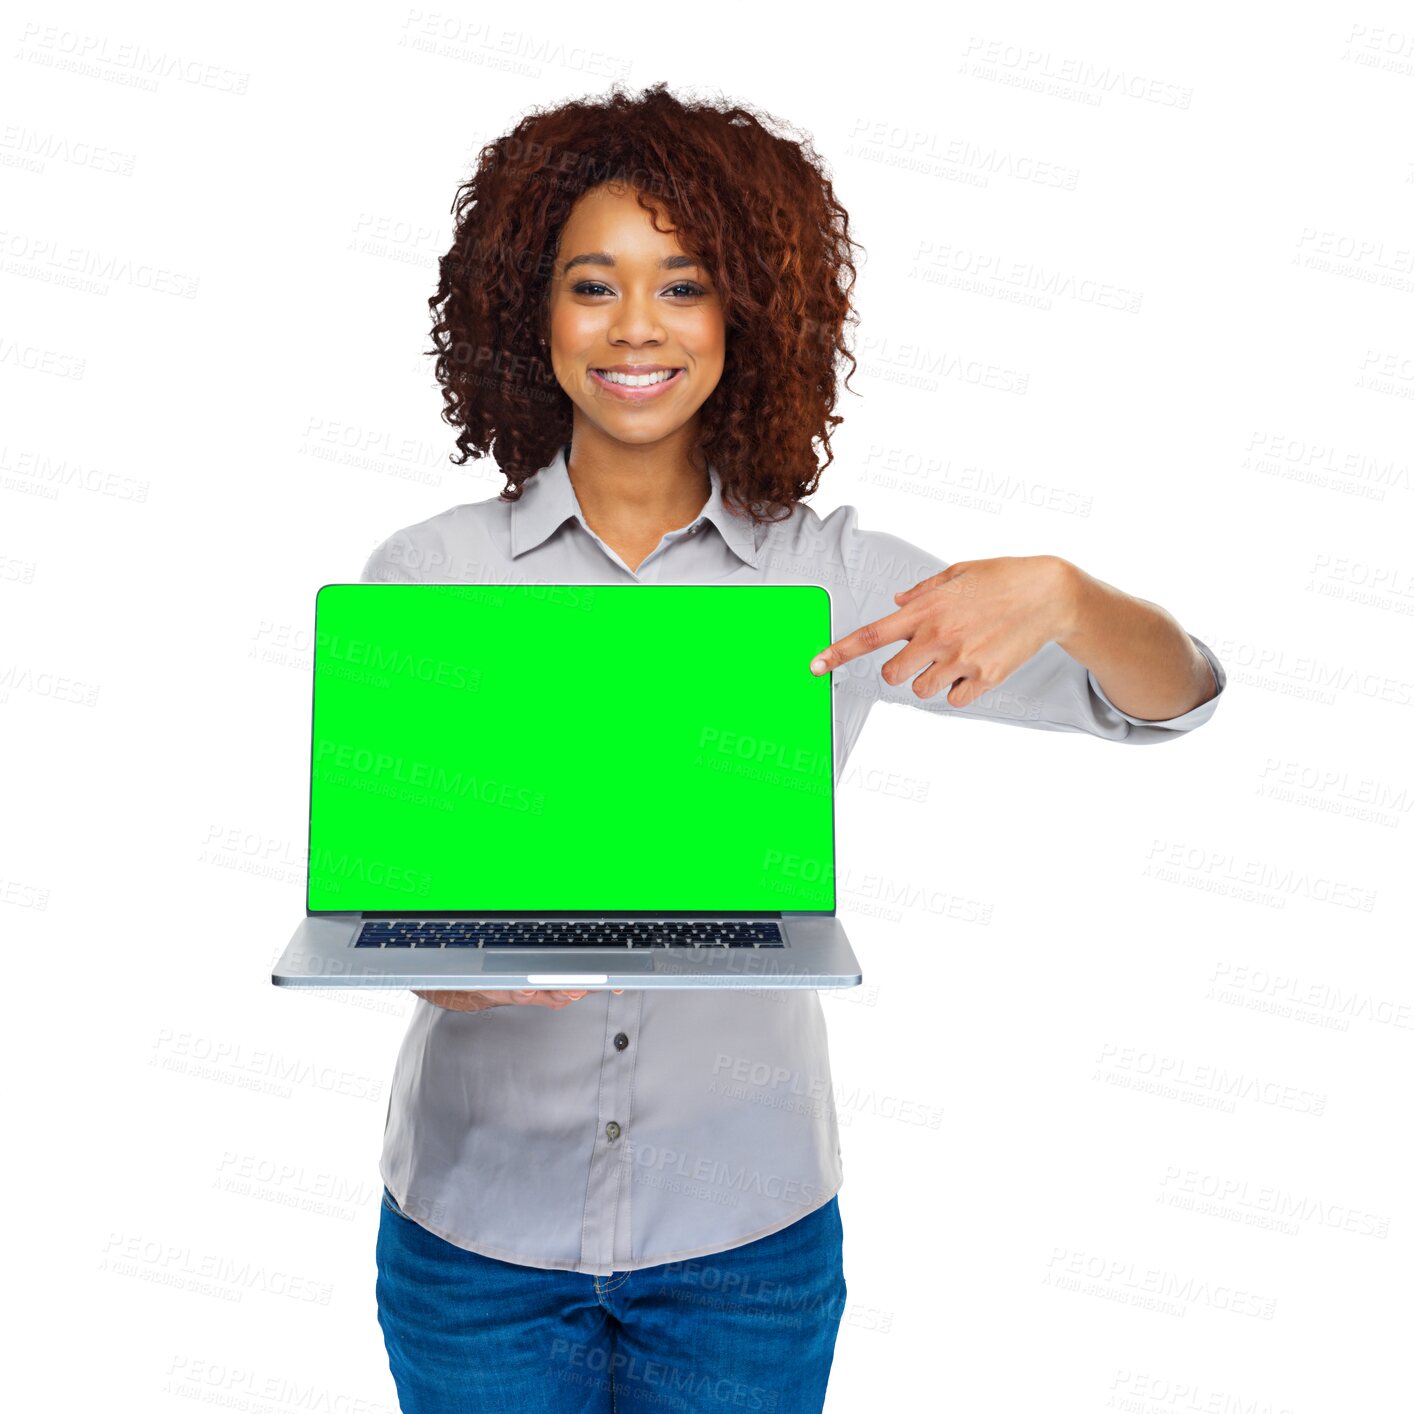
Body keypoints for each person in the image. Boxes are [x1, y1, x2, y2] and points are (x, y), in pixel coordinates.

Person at [365, 82, 1226, 1413]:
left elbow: (1162, 700)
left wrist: (1065, 594)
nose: (637, 326)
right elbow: (388, 885)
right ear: (528, 312)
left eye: (685, 284)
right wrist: (434, 960)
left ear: (747, 315)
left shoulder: (832, 581)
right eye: (593, 285)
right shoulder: (431, 574)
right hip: (478, 1237)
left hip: (742, 1247)